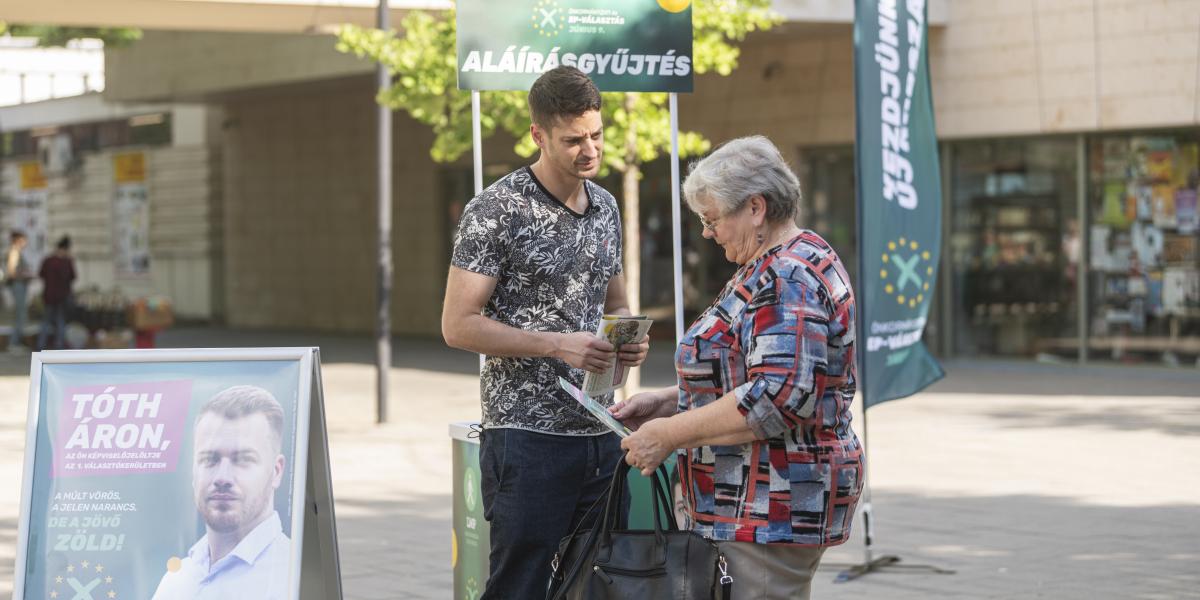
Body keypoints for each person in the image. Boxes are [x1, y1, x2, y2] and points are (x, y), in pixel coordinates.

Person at [612, 136, 863, 600]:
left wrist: (671, 433)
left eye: (712, 219)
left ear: (755, 207)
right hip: (753, 502)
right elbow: (749, 373)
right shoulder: (772, 262)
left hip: (769, 505)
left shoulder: (788, 275)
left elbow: (775, 398)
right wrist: (670, 402)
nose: (707, 233)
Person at [441, 65, 649, 599]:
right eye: (573, 140)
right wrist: (558, 344)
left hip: (602, 432)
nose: (589, 149)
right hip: (526, 439)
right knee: (520, 587)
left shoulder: (605, 206)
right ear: (538, 135)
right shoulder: (495, 209)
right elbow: (457, 324)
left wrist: (629, 340)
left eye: (597, 135)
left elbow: (617, 301)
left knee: (599, 584)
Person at [152, 386, 291, 600]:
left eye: (243, 459)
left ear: (276, 471)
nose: (222, 478)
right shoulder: (177, 579)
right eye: (210, 459)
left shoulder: (292, 577)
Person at [36, 235, 76, 351]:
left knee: (46, 321)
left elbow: (41, 274)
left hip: (48, 296)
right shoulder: (67, 262)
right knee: (60, 321)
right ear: (65, 249)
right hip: (61, 297)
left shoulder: (48, 260)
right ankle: (59, 345)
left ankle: (40, 344)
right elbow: (73, 276)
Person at [5, 231, 34, 351]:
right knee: (20, 315)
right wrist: (26, 274)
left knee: (21, 314)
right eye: (23, 240)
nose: (25, 243)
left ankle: (16, 342)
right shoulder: (14, 252)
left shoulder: (15, 252)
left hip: (19, 285)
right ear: (18, 240)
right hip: (18, 286)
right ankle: (14, 343)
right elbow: (11, 272)